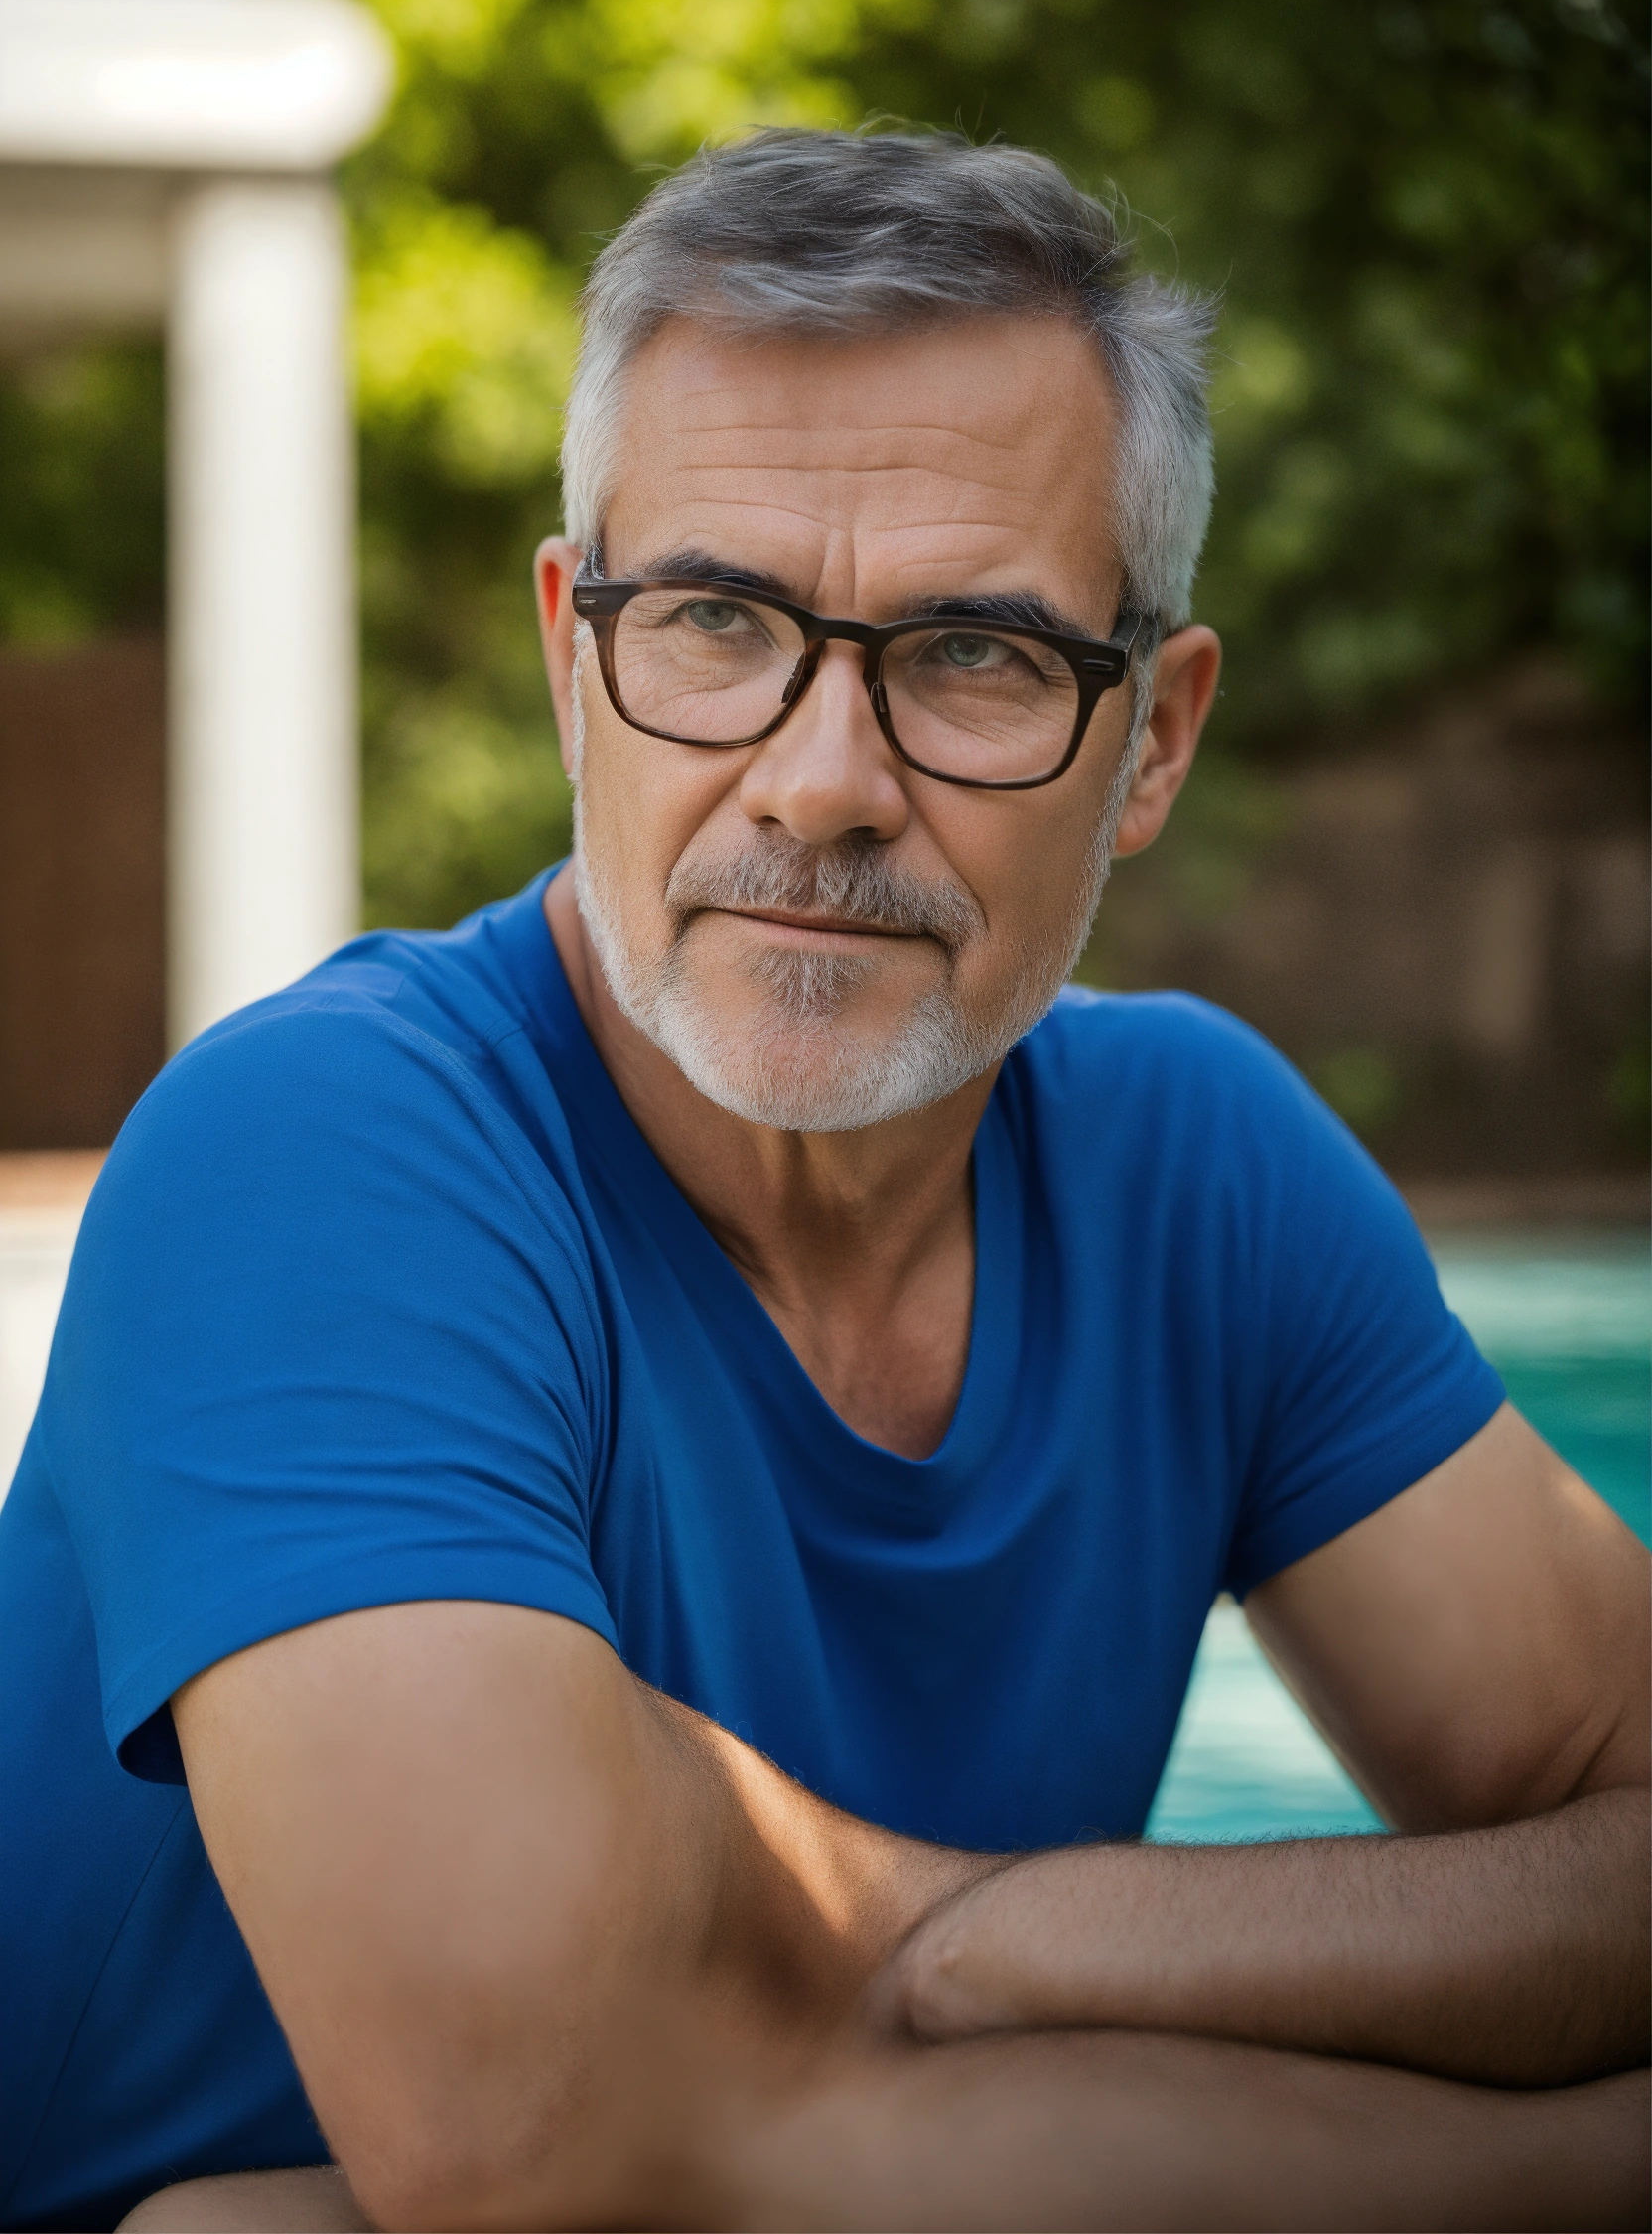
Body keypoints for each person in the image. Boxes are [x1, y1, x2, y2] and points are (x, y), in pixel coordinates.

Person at [1, 130, 1645, 2234]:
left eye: (973, 656)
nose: (821, 783)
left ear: (1151, 736)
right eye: (711, 620)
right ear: (567, 650)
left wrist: (953, 1932)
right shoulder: (319, 1157)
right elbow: (528, 2156)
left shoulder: (1194, 1167)